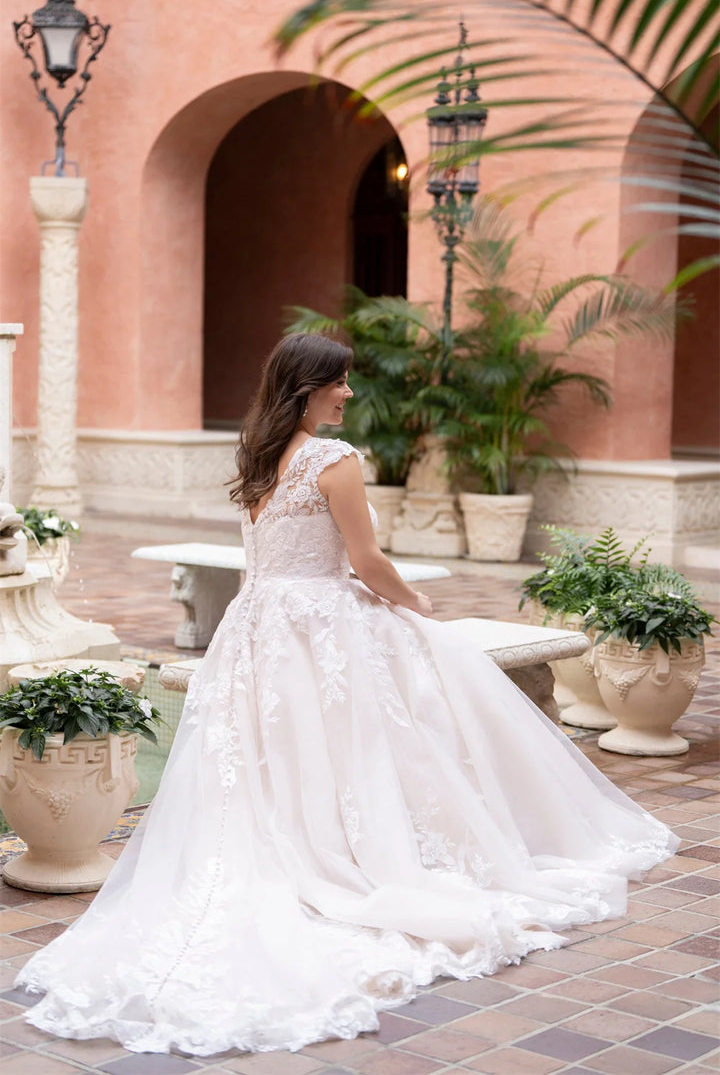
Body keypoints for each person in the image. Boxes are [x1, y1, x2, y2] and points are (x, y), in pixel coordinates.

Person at [17, 333, 678, 1057]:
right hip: (317, 623)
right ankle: (352, 853)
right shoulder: (334, 460)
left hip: (259, 624)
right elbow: (366, 562)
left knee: (273, 754)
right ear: (308, 387)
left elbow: (270, 562)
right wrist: (416, 603)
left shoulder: (258, 454)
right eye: (341, 382)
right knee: (367, 729)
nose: (351, 393)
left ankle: (306, 843)